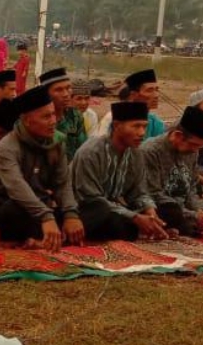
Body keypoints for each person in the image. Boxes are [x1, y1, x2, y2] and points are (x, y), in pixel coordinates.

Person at [0, 85, 85, 251]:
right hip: (13, 207)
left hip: (44, 207)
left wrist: (70, 214)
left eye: (53, 114)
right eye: (46, 117)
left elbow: (62, 183)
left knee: (95, 210)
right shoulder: (7, 146)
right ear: (27, 121)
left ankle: (44, 238)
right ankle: (47, 238)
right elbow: (17, 188)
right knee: (13, 211)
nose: (53, 121)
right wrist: (46, 217)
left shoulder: (57, 141)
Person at [70, 101, 165, 241]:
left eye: (144, 127)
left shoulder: (135, 153)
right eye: (136, 126)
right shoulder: (91, 152)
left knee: (163, 210)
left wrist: (150, 211)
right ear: (116, 126)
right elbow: (90, 198)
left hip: (112, 207)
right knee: (112, 219)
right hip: (83, 210)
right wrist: (135, 217)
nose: (142, 133)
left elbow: (138, 192)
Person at [140, 106, 203, 237]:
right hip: (162, 206)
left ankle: (197, 223)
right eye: (194, 145)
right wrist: (194, 215)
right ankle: (191, 225)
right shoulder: (151, 151)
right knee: (172, 212)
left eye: (201, 146)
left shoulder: (192, 151)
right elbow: (154, 194)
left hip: (185, 207)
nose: (196, 150)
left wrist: (200, 211)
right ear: (178, 136)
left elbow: (192, 187)